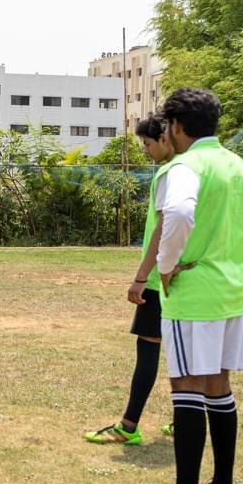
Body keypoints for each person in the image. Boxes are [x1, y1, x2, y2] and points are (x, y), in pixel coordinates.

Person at [131, 87, 243, 484]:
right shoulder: (235, 164)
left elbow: (177, 214)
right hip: (230, 292)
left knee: (186, 388)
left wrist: (167, 263)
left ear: (176, 127)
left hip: (194, 293)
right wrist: (233, 254)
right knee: (219, 385)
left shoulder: (185, 166)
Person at [85, 114, 180, 445]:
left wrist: (141, 276)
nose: (146, 151)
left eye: (148, 144)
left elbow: (164, 226)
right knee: (187, 353)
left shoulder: (171, 173)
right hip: (190, 277)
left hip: (159, 278)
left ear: (167, 137)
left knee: (149, 348)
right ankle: (185, 420)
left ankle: (129, 425)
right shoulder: (202, 169)